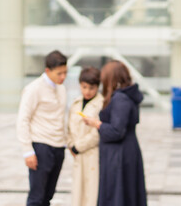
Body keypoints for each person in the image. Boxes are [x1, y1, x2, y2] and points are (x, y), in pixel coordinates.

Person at [83, 60, 147, 206]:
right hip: (124, 152)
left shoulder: (120, 98)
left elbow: (117, 131)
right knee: (125, 194)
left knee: (117, 195)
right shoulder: (127, 95)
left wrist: (96, 124)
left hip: (119, 155)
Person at [16, 50, 68, 206]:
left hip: (59, 148)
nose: (63, 77)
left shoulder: (61, 88)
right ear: (47, 71)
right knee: (36, 197)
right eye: (59, 73)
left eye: (65, 72)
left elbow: (60, 118)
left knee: (48, 196)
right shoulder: (34, 89)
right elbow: (23, 119)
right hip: (41, 147)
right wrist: (27, 151)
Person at [67, 67, 103, 206]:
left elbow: (98, 133)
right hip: (77, 154)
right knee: (78, 194)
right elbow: (69, 127)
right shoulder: (75, 103)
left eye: (91, 88)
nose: (87, 91)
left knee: (91, 194)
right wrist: (71, 145)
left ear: (98, 87)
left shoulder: (102, 104)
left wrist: (78, 146)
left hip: (92, 154)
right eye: (84, 87)